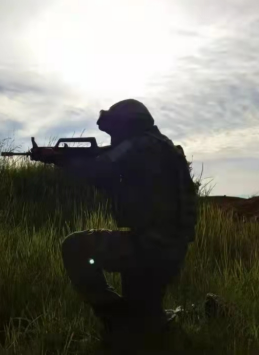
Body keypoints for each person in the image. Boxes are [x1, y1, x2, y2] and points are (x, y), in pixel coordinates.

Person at [49, 99, 198, 344]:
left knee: (75, 247)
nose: (114, 137)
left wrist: (61, 160)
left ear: (129, 125)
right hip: (167, 248)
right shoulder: (162, 147)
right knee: (146, 320)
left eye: (115, 130)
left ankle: (119, 321)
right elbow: (112, 179)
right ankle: (144, 324)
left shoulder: (140, 145)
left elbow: (98, 169)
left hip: (150, 247)